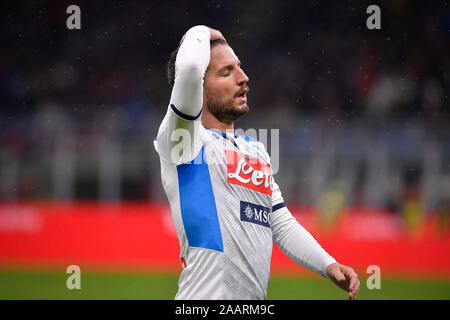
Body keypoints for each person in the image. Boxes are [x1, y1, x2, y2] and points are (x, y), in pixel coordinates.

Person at [154, 25, 360, 300]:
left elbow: (280, 223)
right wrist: (201, 30)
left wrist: (327, 264)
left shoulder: (255, 149)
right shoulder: (183, 140)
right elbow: (190, 67)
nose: (244, 78)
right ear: (198, 90)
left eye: (239, 67)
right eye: (227, 72)